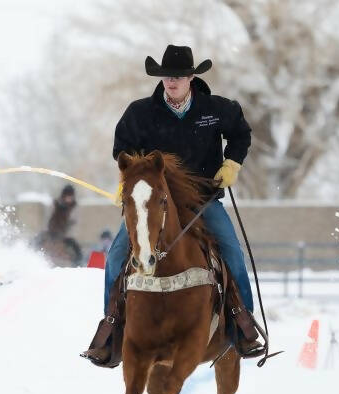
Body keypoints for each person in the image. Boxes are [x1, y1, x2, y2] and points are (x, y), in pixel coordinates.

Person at [81, 44, 262, 365]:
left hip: (203, 199)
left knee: (232, 251)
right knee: (116, 256)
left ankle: (242, 326)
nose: (171, 82)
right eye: (166, 77)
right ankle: (112, 329)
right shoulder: (140, 113)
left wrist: (232, 164)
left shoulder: (216, 109)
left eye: (177, 76)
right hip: (153, 205)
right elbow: (123, 148)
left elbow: (241, 134)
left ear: (192, 77)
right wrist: (133, 180)